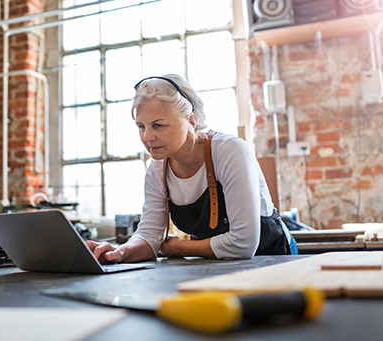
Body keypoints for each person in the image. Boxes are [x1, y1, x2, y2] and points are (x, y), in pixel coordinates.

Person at [86, 74, 297, 264]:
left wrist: (179, 247)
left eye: (158, 125)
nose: (147, 137)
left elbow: (243, 244)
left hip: (272, 261)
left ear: (191, 121)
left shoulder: (230, 151)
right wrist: (120, 252)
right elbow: (149, 236)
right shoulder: (157, 169)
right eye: (141, 126)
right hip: (215, 267)